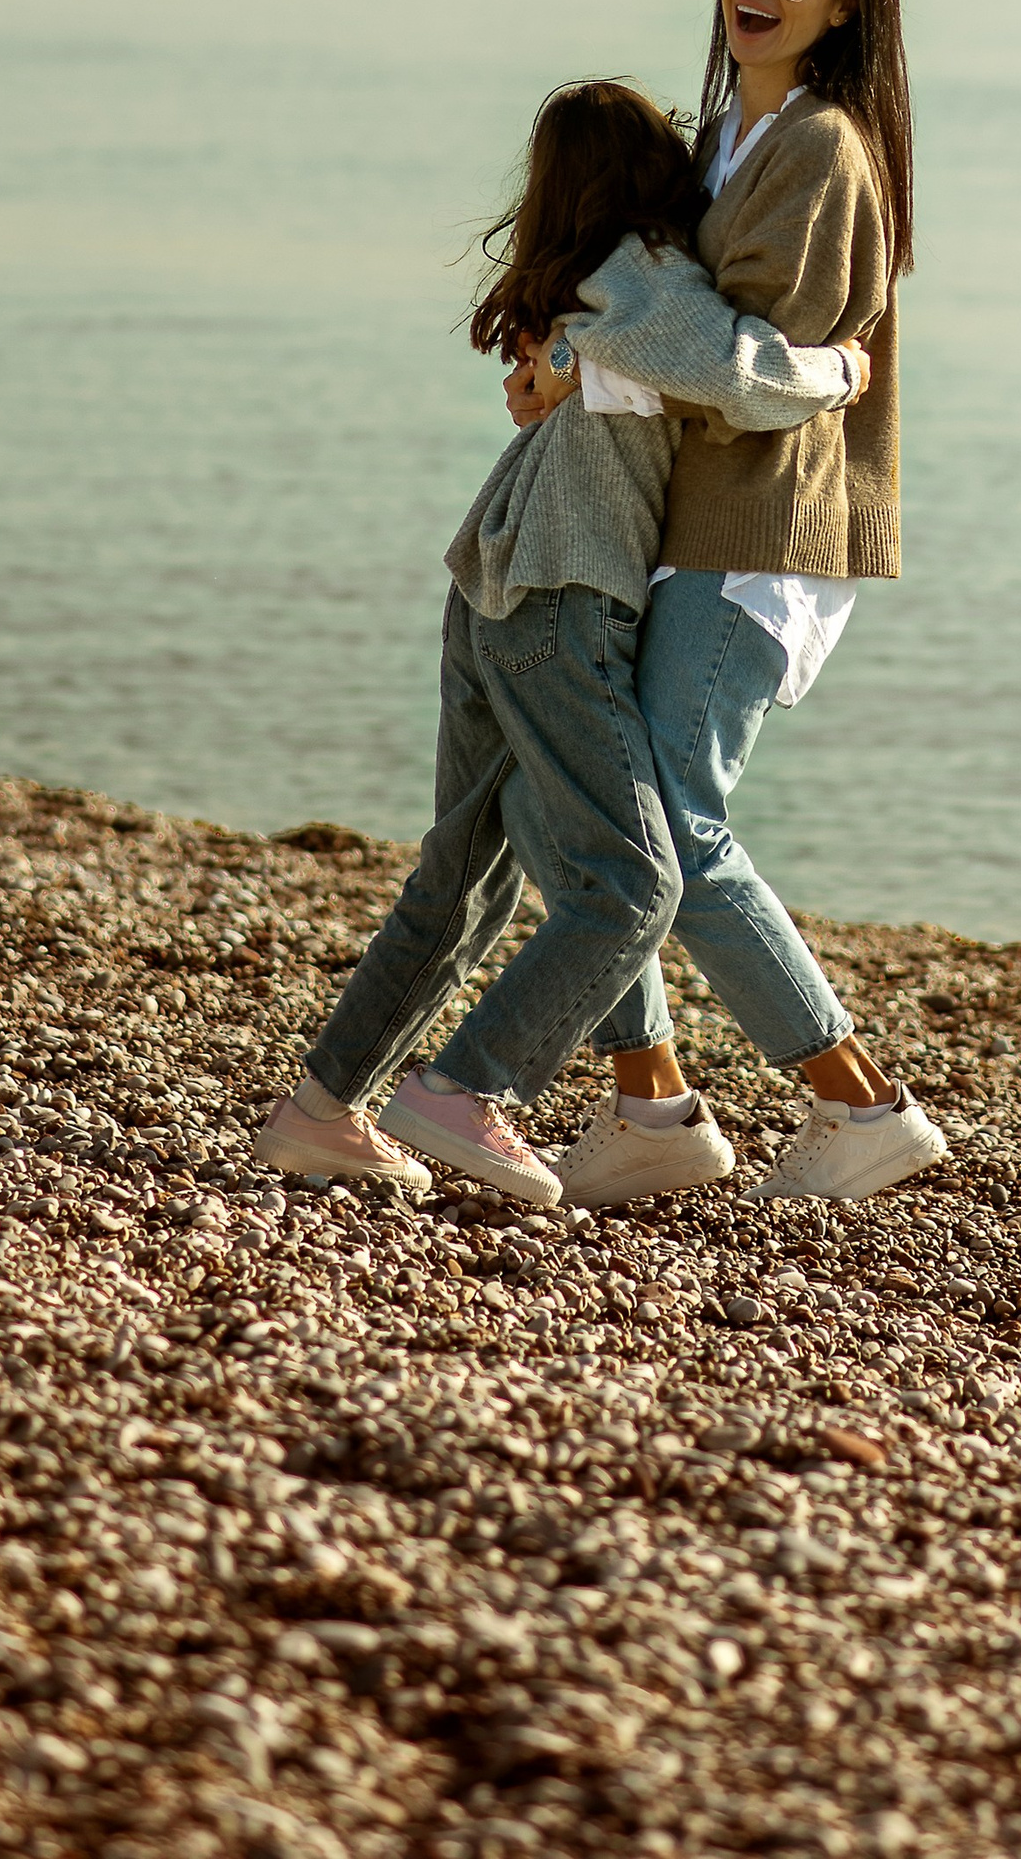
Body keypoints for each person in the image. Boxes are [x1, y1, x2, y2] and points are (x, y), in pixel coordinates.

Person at [249, 77, 868, 1212]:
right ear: (645, 175)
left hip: (488, 592)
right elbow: (742, 374)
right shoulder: (644, 268)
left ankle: (323, 1109)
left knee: (463, 878)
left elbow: (628, 377)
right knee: (635, 880)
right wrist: (845, 369)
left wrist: (571, 364)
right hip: (561, 599)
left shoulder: (578, 289)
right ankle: (466, 1088)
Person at [531, 0, 947, 1207]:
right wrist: (571, 357)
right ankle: (649, 1104)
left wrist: (584, 365)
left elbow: (742, 365)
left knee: (673, 819)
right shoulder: (720, 137)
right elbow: (667, 326)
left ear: (845, 5)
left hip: (759, 533)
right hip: (676, 522)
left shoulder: (822, 151)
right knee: (603, 805)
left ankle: (860, 1105)